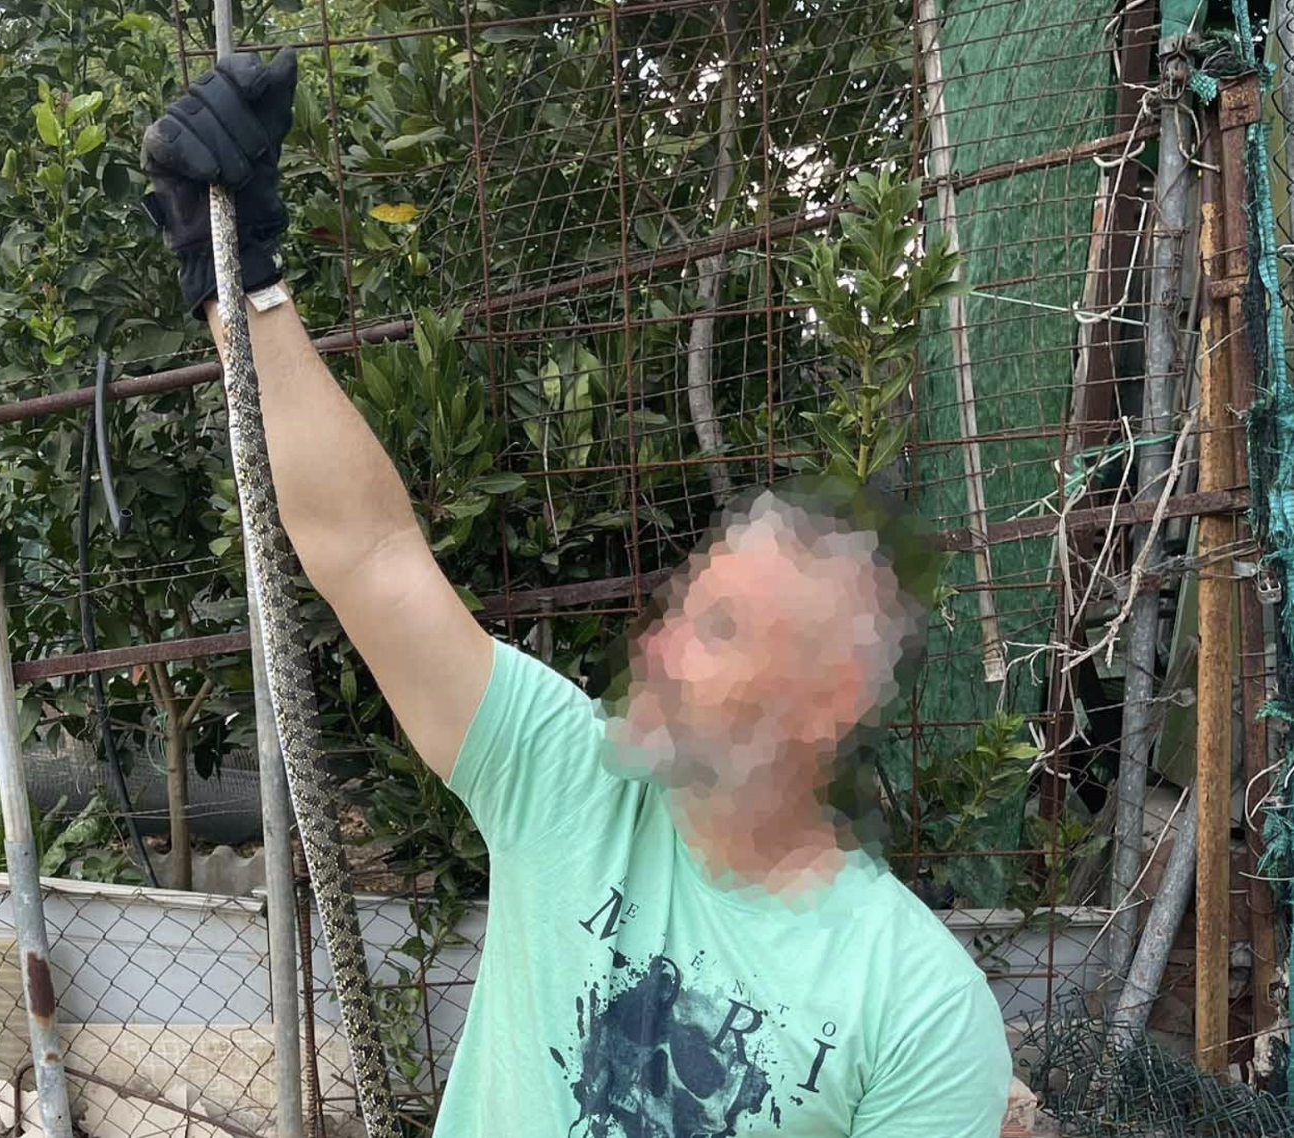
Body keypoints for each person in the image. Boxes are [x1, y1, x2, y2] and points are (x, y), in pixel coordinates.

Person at [141, 49, 1013, 1138]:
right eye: (687, 600)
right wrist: (243, 284)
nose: (661, 640)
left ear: (826, 701)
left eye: (722, 626)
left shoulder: (918, 1008)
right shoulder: (565, 774)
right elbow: (368, 550)